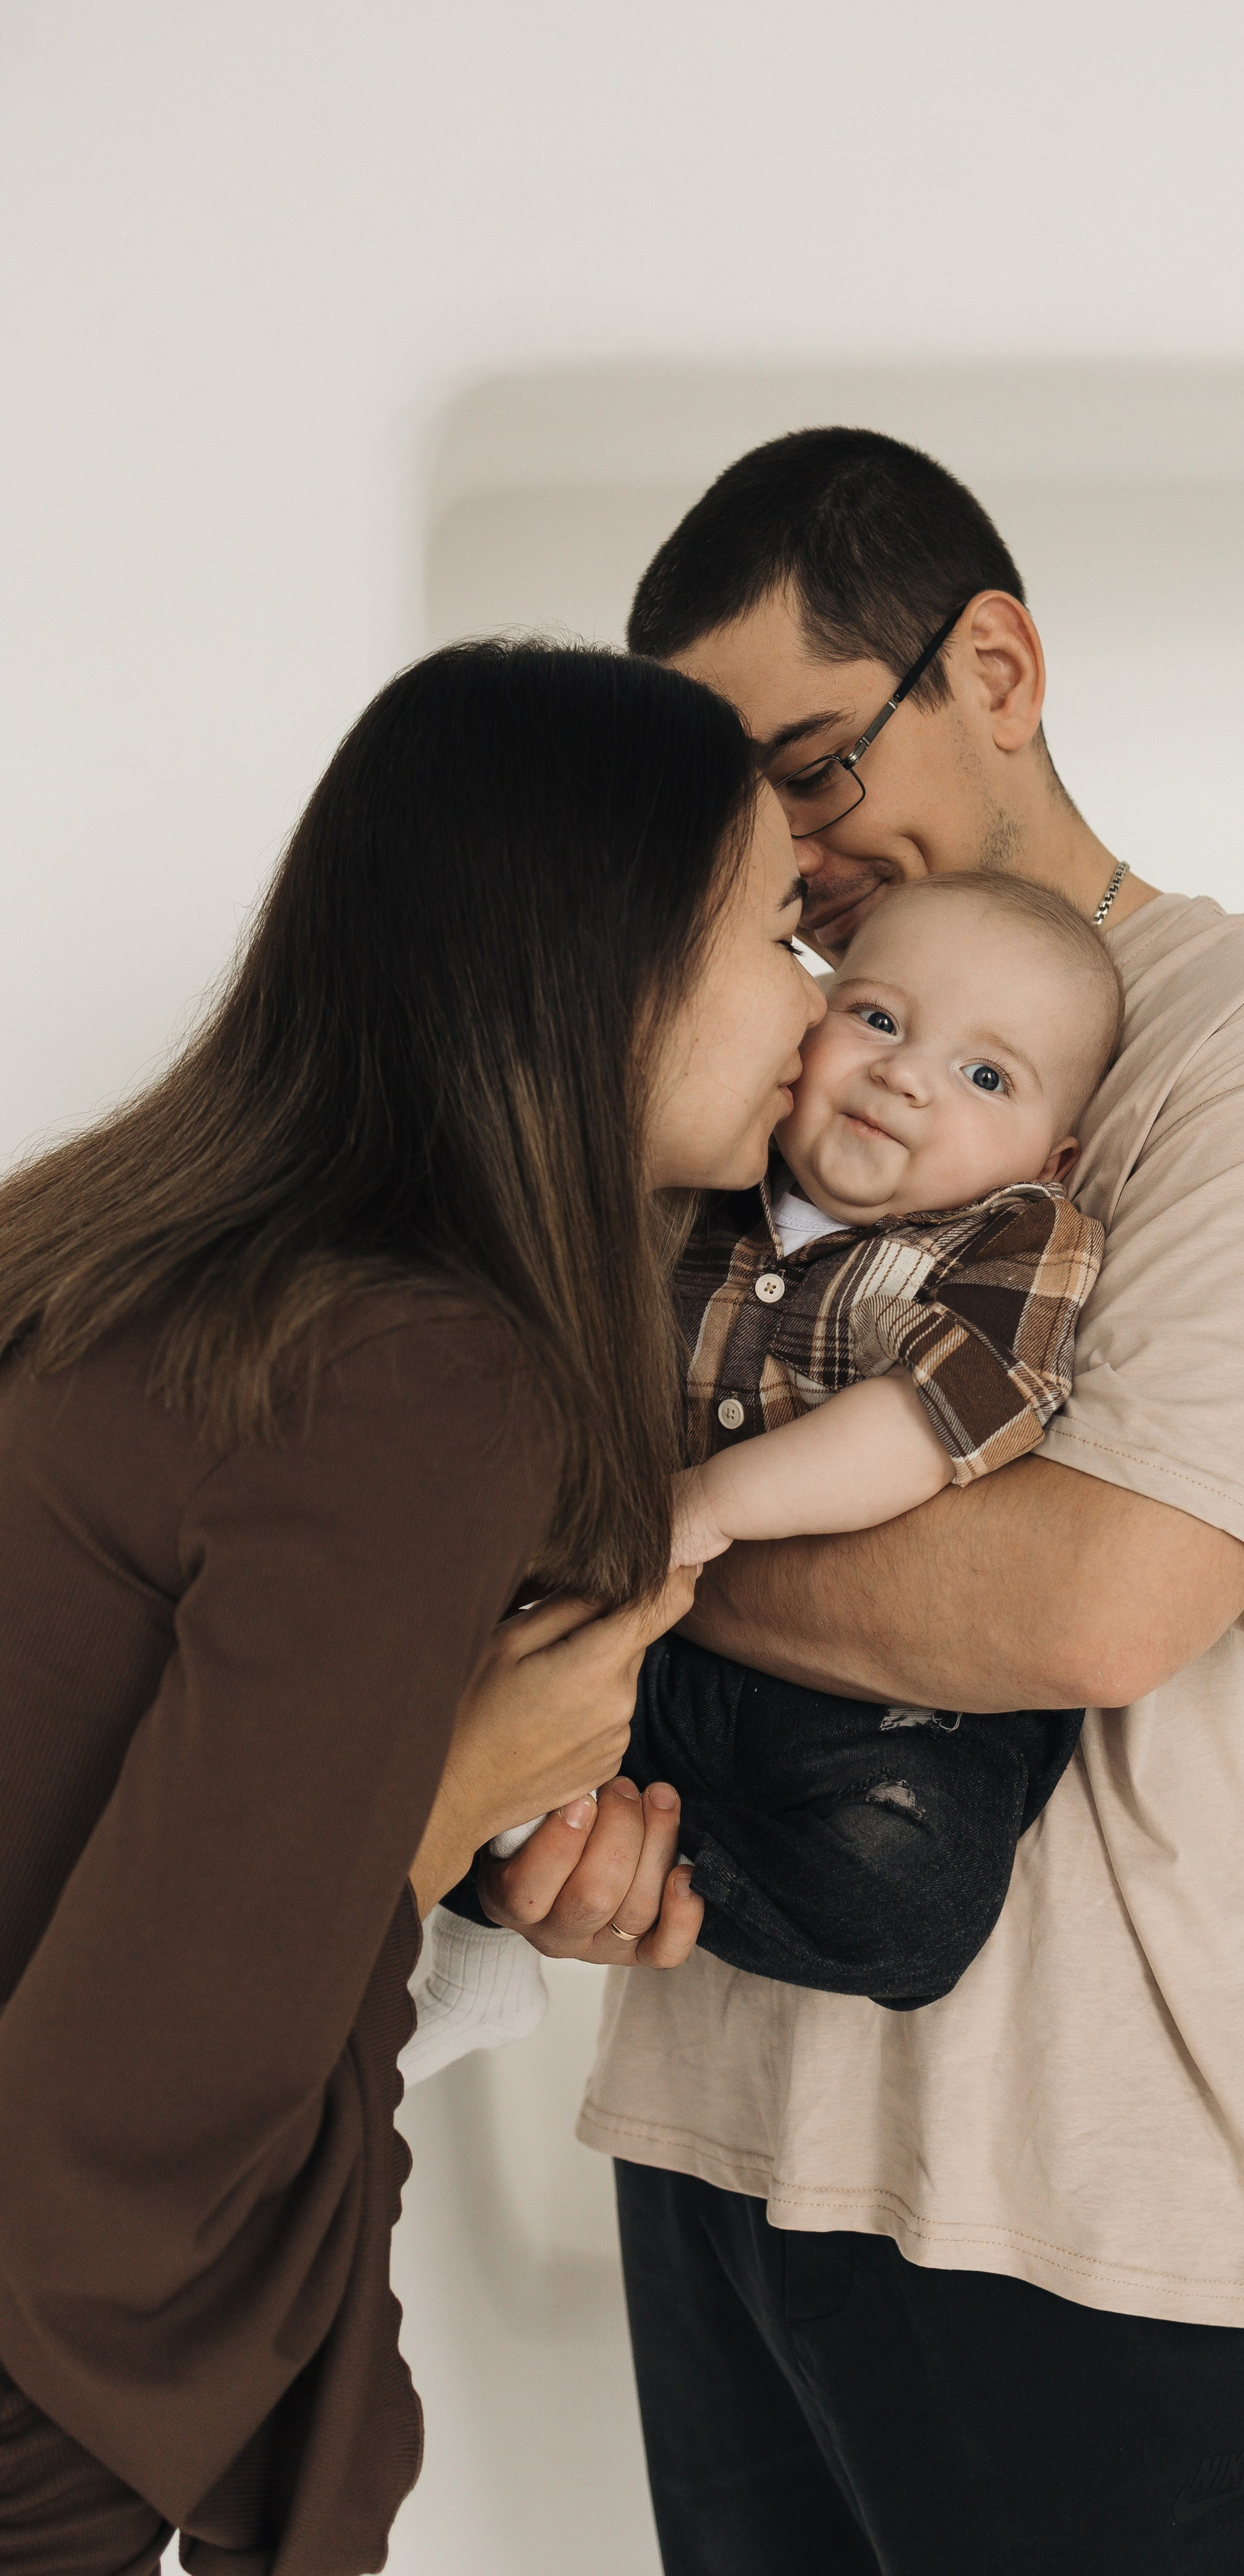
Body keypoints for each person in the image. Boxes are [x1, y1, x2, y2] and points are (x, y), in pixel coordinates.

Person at [487, 431, 1244, 2575]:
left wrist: (633, 1549)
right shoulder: (777, 1046)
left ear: (994, 664)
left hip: (1065, 2212)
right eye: (737, 811)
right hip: (703, 2129)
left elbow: (1103, 1599)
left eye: (810, 768)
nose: (791, 854)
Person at [0, 639, 823, 2575]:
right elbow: (137, 2121)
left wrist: (441, 1859)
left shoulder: (132, 1249)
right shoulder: (423, 1380)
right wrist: (443, 1810)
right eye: (777, 931)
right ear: (602, 964)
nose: (820, 1000)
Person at [434, 869, 1117, 2031]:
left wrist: (701, 1507)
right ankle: (497, 1906)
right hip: (653, 1644)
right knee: (442, 1697)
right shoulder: (711, 1181)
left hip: (878, 1706)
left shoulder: (1014, 1237)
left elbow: (923, 1422)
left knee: (906, 1893)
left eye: (985, 1075)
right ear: (809, 1015)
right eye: (880, 1019)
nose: (905, 1075)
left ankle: (634, 1855)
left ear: (1048, 1157)